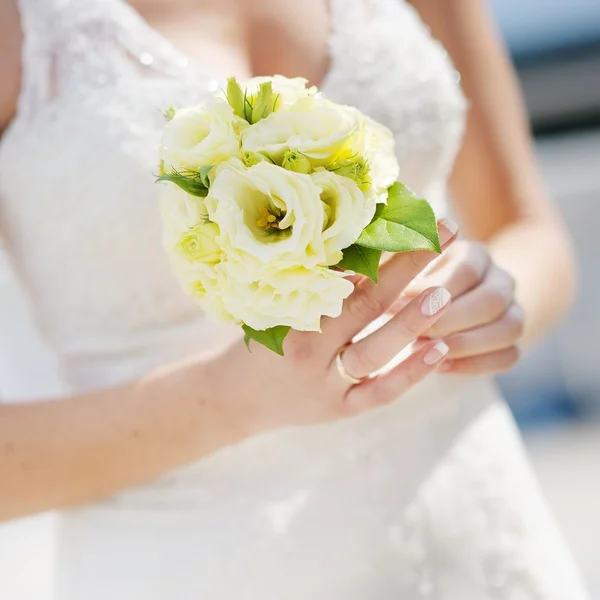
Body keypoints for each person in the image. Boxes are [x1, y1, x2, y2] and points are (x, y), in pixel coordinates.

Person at [0, 0, 589, 598]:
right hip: (197, 564)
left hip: (478, 527)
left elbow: (530, 233)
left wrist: (489, 301)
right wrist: (225, 399)